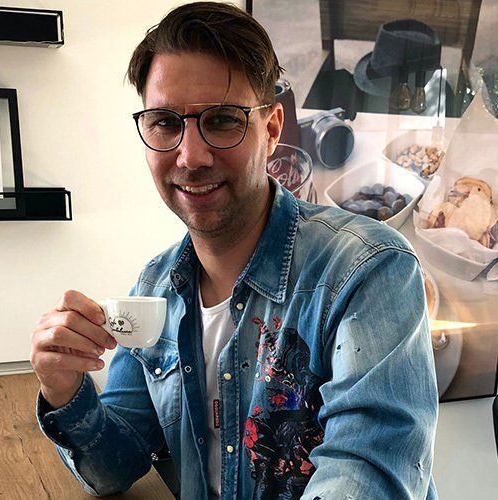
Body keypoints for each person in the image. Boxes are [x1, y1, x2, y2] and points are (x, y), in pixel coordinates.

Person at [31, 2, 439, 499]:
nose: (191, 156)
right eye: (165, 123)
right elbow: (114, 467)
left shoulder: (367, 270)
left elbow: (366, 476)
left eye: (223, 120)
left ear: (271, 130)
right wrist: (64, 389)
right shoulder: (156, 287)